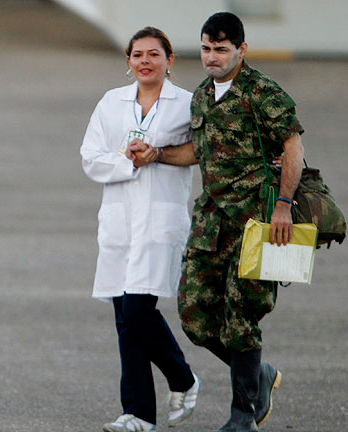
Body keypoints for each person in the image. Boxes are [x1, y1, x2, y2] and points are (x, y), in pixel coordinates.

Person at [131, 12, 303, 431]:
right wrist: (157, 155)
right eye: (207, 48)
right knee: (194, 317)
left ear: (241, 50)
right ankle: (259, 374)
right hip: (211, 223)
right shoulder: (203, 95)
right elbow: (200, 150)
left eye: (221, 49)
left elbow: (293, 148)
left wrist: (283, 205)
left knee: (242, 318)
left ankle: (243, 416)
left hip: (255, 223)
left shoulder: (262, 92)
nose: (212, 57)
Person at [80, 27, 200, 432]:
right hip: (119, 221)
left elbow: (202, 150)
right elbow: (90, 157)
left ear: (169, 60)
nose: (145, 61)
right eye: (137, 55)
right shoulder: (111, 102)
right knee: (124, 317)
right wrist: (128, 159)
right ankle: (138, 414)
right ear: (128, 61)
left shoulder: (187, 104)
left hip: (160, 220)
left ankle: (183, 377)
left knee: (137, 310)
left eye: (153, 54)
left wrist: (157, 155)